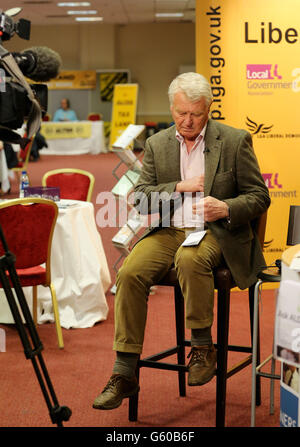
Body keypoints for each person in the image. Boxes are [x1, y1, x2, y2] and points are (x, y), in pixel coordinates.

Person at [92, 72, 271, 411]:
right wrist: (179, 187)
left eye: (196, 113)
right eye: (181, 113)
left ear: (209, 109)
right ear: (171, 107)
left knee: (190, 260)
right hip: (169, 232)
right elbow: (142, 199)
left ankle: (203, 347)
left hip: (215, 232)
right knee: (130, 273)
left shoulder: (234, 141)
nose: (188, 121)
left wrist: (226, 207)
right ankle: (124, 371)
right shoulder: (158, 144)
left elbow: (259, 196)